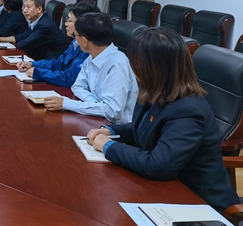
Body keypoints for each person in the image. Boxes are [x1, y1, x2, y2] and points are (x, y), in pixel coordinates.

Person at [86, 28, 239, 212]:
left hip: (198, 203)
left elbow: (158, 166)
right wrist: (111, 131)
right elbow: (146, 127)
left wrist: (109, 147)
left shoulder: (188, 111)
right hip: (163, 189)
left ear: (150, 68)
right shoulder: (155, 91)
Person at [43, 12, 138, 124]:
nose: (75, 40)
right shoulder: (92, 57)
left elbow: (112, 111)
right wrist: (95, 104)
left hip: (115, 127)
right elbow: (77, 86)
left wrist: (67, 104)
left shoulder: (117, 64)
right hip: (96, 118)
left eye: (76, 36)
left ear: (84, 41)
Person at [16, 1, 98, 87]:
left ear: (82, 24)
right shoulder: (75, 41)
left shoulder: (89, 48)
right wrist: (32, 64)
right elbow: (59, 64)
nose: (65, 24)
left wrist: (39, 73)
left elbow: (70, 78)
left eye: (70, 21)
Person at [0, 0, 67, 60]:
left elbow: (23, 44)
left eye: (28, 7)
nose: (25, 10)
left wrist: (18, 41)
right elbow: (22, 36)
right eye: (24, 6)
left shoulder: (44, 25)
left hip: (52, 64)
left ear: (39, 9)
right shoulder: (39, 21)